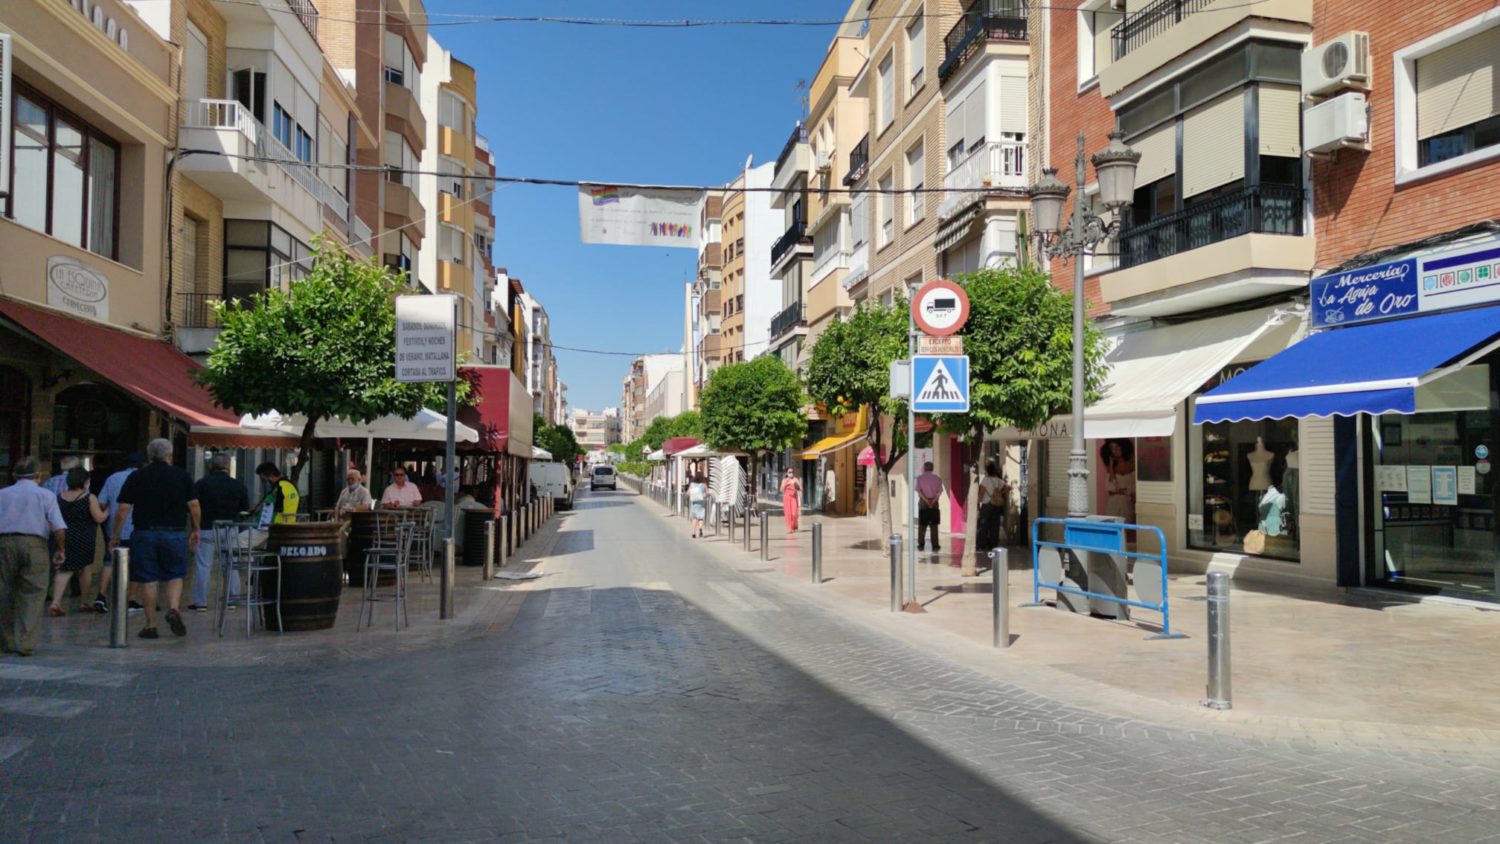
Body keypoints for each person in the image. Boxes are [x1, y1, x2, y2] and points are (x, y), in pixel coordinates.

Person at [109, 438, 200, 639]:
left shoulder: (137, 476)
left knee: (148, 579)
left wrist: (115, 535)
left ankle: (150, 625)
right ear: (169, 455)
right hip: (174, 532)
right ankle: (174, 608)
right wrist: (196, 528)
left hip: (144, 533)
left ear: (149, 456)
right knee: (175, 575)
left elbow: (123, 509)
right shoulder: (181, 476)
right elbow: (194, 505)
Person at [0, 457, 68, 656]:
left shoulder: (2, 494)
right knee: (33, 593)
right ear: (38, 476)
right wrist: (61, 549)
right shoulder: (45, 495)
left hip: (4, 544)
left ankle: (6, 641)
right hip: (35, 544)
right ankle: (25, 642)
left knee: (4, 592)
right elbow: (59, 527)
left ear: (14, 476)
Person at [190, 454, 249, 612]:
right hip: (230, 527)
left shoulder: (202, 484)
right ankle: (232, 600)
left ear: (211, 466)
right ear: (228, 466)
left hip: (207, 527)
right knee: (231, 564)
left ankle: (200, 602)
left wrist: (194, 527)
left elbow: (193, 506)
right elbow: (244, 509)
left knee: (203, 565)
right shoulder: (238, 485)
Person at [50, 467, 107, 616]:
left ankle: (56, 601)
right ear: (85, 481)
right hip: (84, 537)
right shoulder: (89, 497)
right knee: (85, 569)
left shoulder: (59, 497)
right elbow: (99, 518)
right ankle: (84, 602)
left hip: (64, 535)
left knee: (64, 569)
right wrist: (108, 510)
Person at [95, 452, 143, 614]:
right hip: (138, 528)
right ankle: (131, 599)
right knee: (136, 565)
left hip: (114, 528)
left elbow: (101, 503)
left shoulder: (113, 478)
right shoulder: (144, 478)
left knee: (109, 562)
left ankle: (101, 595)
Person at [976, 462, 1010, 556]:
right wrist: (1001, 492)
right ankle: (993, 544)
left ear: (987, 470)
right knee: (995, 525)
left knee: (983, 525)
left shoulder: (986, 480)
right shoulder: (999, 480)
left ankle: (981, 544)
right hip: (997, 505)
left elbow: (981, 493)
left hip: (987, 504)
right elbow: (1008, 487)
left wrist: (978, 502)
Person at [254, 463, 300, 527]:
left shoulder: (279, 488)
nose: (265, 481)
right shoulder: (290, 485)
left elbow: (271, 511)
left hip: (276, 527)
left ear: (270, 476)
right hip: (289, 525)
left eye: (264, 479)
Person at [915, 461, 944, 552]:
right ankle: (935, 545)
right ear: (932, 468)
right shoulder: (937, 478)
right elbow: (940, 492)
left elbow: (919, 491)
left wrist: (927, 501)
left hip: (923, 502)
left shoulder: (920, 478)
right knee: (934, 524)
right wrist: (933, 501)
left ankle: (921, 544)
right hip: (934, 502)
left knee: (922, 524)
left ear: (925, 468)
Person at [779, 468, 803, 533]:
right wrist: (786, 483)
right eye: (789, 472)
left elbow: (801, 489)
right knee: (788, 513)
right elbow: (781, 490)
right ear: (787, 473)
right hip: (787, 497)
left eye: (792, 472)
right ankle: (790, 528)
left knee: (794, 513)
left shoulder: (795, 479)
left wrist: (797, 487)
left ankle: (794, 525)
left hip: (793, 497)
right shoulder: (784, 480)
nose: (791, 473)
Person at [687, 472, 707, 538]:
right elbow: (707, 493)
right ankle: (700, 528)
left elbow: (688, 492)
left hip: (694, 502)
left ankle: (693, 532)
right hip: (701, 502)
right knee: (700, 517)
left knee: (694, 517)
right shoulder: (704, 484)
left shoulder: (692, 484)